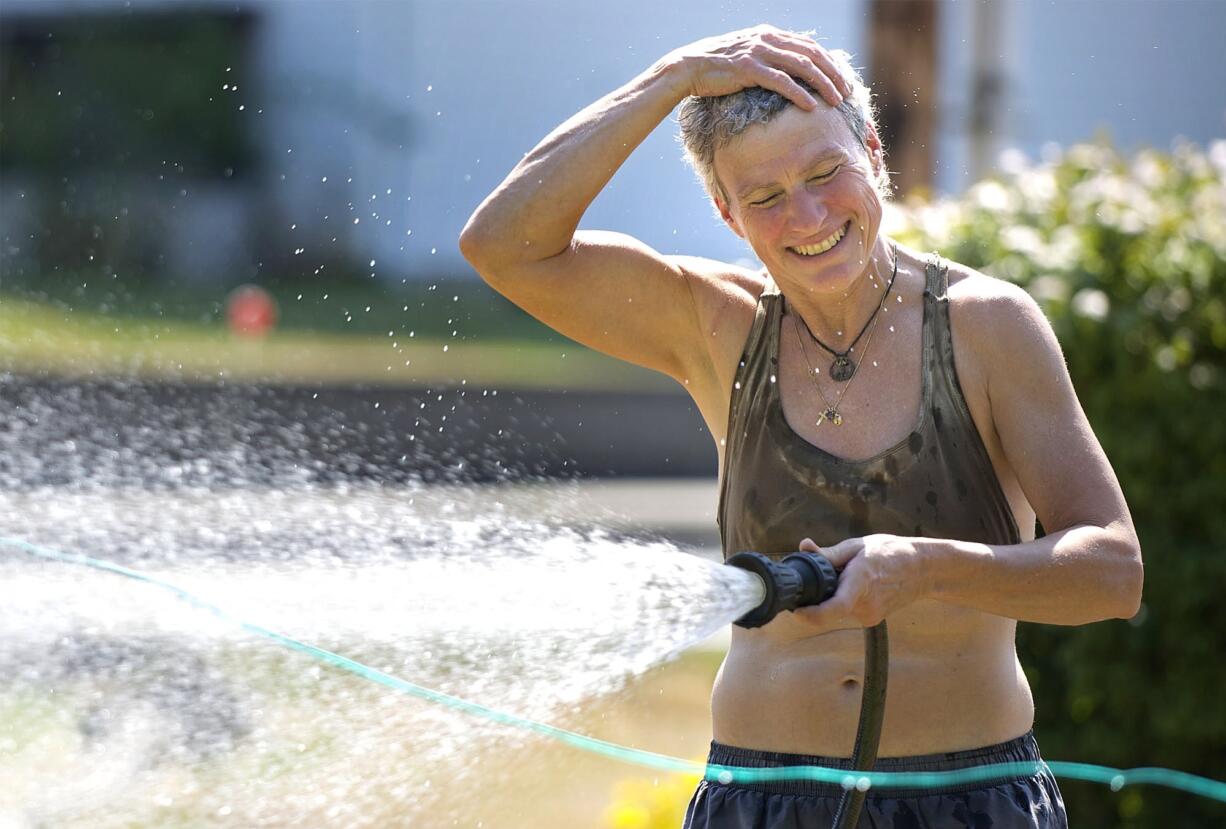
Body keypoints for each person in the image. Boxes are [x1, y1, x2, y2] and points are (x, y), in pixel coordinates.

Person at [460, 25, 1142, 828]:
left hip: (969, 796)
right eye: (764, 197)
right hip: (760, 800)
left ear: (874, 154)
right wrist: (671, 78)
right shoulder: (713, 323)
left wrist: (926, 567)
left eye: (826, 173)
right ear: (725, 212)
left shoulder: (988, 327)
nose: (808, 215)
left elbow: (1113, 570)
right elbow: (503, 245)